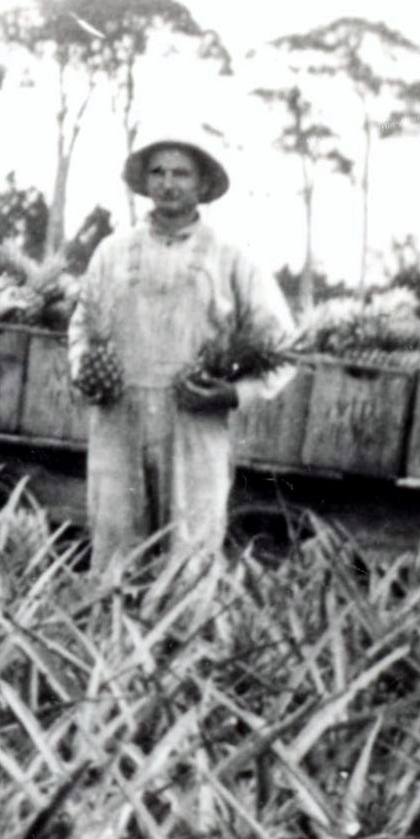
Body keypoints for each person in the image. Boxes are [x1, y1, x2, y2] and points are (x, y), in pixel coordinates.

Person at [68, 135, 296, 587]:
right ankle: (110, 648)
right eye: (158, 172)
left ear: (202, 184)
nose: (168, 184)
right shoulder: (112, 252)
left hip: (195, 416)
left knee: (190, 545)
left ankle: (183, 647)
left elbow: (282, 342)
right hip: (118, 414)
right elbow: (80, 327)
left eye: (181, 173)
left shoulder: (232, 256)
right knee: (115, 540)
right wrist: (86, 372)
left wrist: (235, 392)